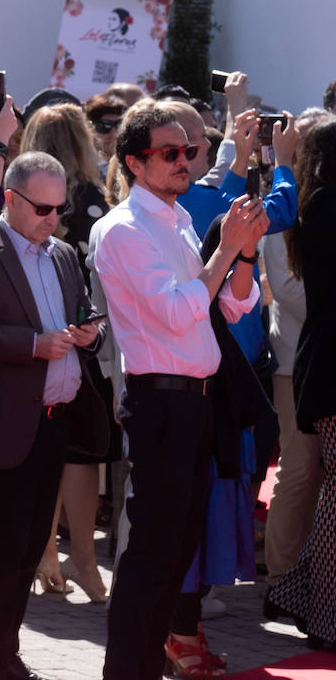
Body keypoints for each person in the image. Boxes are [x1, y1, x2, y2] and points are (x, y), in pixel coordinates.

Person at [89, 106, 267, 680]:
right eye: (171, 153)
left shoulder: (175, 219)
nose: (184, 161)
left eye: (187, 151)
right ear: (136, 163)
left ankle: (145, 667)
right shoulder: (121, 229)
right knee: (150, 556)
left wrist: (243, 251)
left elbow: (232, 304)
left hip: (195, 400)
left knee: (178, 554)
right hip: (159, 402)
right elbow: (176, 311)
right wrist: (224, 251)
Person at [0, 152, 107, 680]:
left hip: (54, 422)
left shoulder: (62, 253)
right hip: (5, 427)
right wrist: (32, 346)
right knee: (3, 551)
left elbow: (86, 317)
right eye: (42, 208)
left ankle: (4, 654)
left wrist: (91, 334)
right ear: (11, 200)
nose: (52, 218)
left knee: (29, 550)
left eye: (59, 208)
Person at [20, 103, 117, 602]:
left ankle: (46, 555)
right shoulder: (92, 199)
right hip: (79, 342)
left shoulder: (14, 202)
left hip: (30, 344)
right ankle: (80, 558)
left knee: (46, 452)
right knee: (80, 455)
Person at [266, 118, 336, 650]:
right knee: (318, 487)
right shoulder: (321, 208)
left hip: (320, 366)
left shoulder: (316, 207)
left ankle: (299, 597)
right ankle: (320, 614)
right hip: (326, 368)